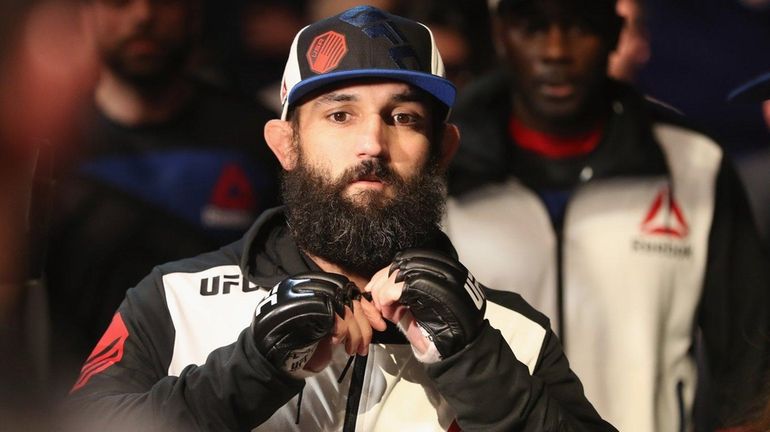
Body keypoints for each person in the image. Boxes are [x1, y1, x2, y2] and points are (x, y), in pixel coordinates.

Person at [65, 6, 616, 431]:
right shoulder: (173, 300)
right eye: (339, 114)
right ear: (286, 145)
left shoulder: (510, 333)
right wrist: (254, 366)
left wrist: (475, 361)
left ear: (443, 149)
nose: (371, 143)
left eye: (403, 117)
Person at [443, 0, 770, 431]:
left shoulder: (695, 166)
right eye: (534, 25)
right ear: (500, 32)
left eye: (581, 25)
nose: (556, 49)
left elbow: (751, 376)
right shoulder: (437, 172)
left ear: (616, 33)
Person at [45, 0, 279, 391]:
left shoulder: (258, 136)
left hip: (227, 395)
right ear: (85, 14)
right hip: (71, 401)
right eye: (119, 2)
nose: (143, 16)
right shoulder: (44, 141)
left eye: (164, 2)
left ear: (195, 13)